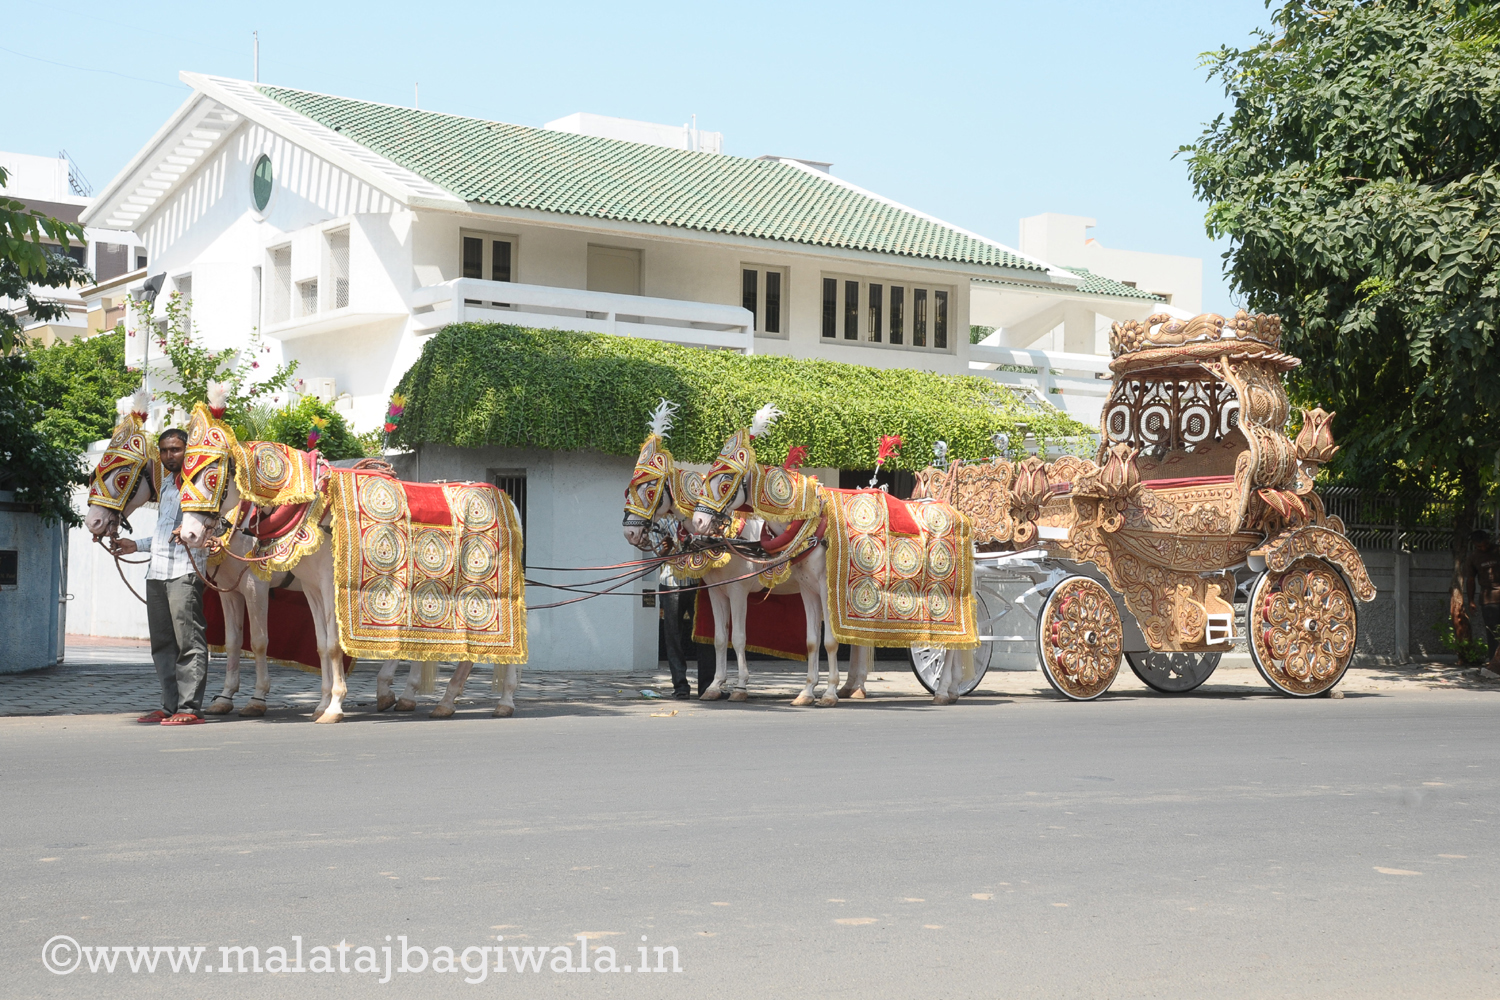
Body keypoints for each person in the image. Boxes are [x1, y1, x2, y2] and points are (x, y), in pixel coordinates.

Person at [110, 428, 210, 725]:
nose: (169, 456)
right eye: (165, 450)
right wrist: (135, 545)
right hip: (157, 571)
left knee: (188, 642)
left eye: (176, 449)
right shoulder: (166, 484)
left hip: (185, 570)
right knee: (162, 643)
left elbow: (222, 521)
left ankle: (189, 708)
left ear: (187, 450)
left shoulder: (204, 484)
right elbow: (163, 531)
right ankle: (169, 705)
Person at [1463, 529, 1500, 672]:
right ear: (1474, 545)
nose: (1483, 548)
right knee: (1492, 633)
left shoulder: (1498, 551)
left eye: (1485, 544)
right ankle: (1494, 663)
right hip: (1488, 599)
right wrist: (1471, 600)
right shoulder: (1473, 558)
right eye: (1479, 546)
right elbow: (1470, 580)